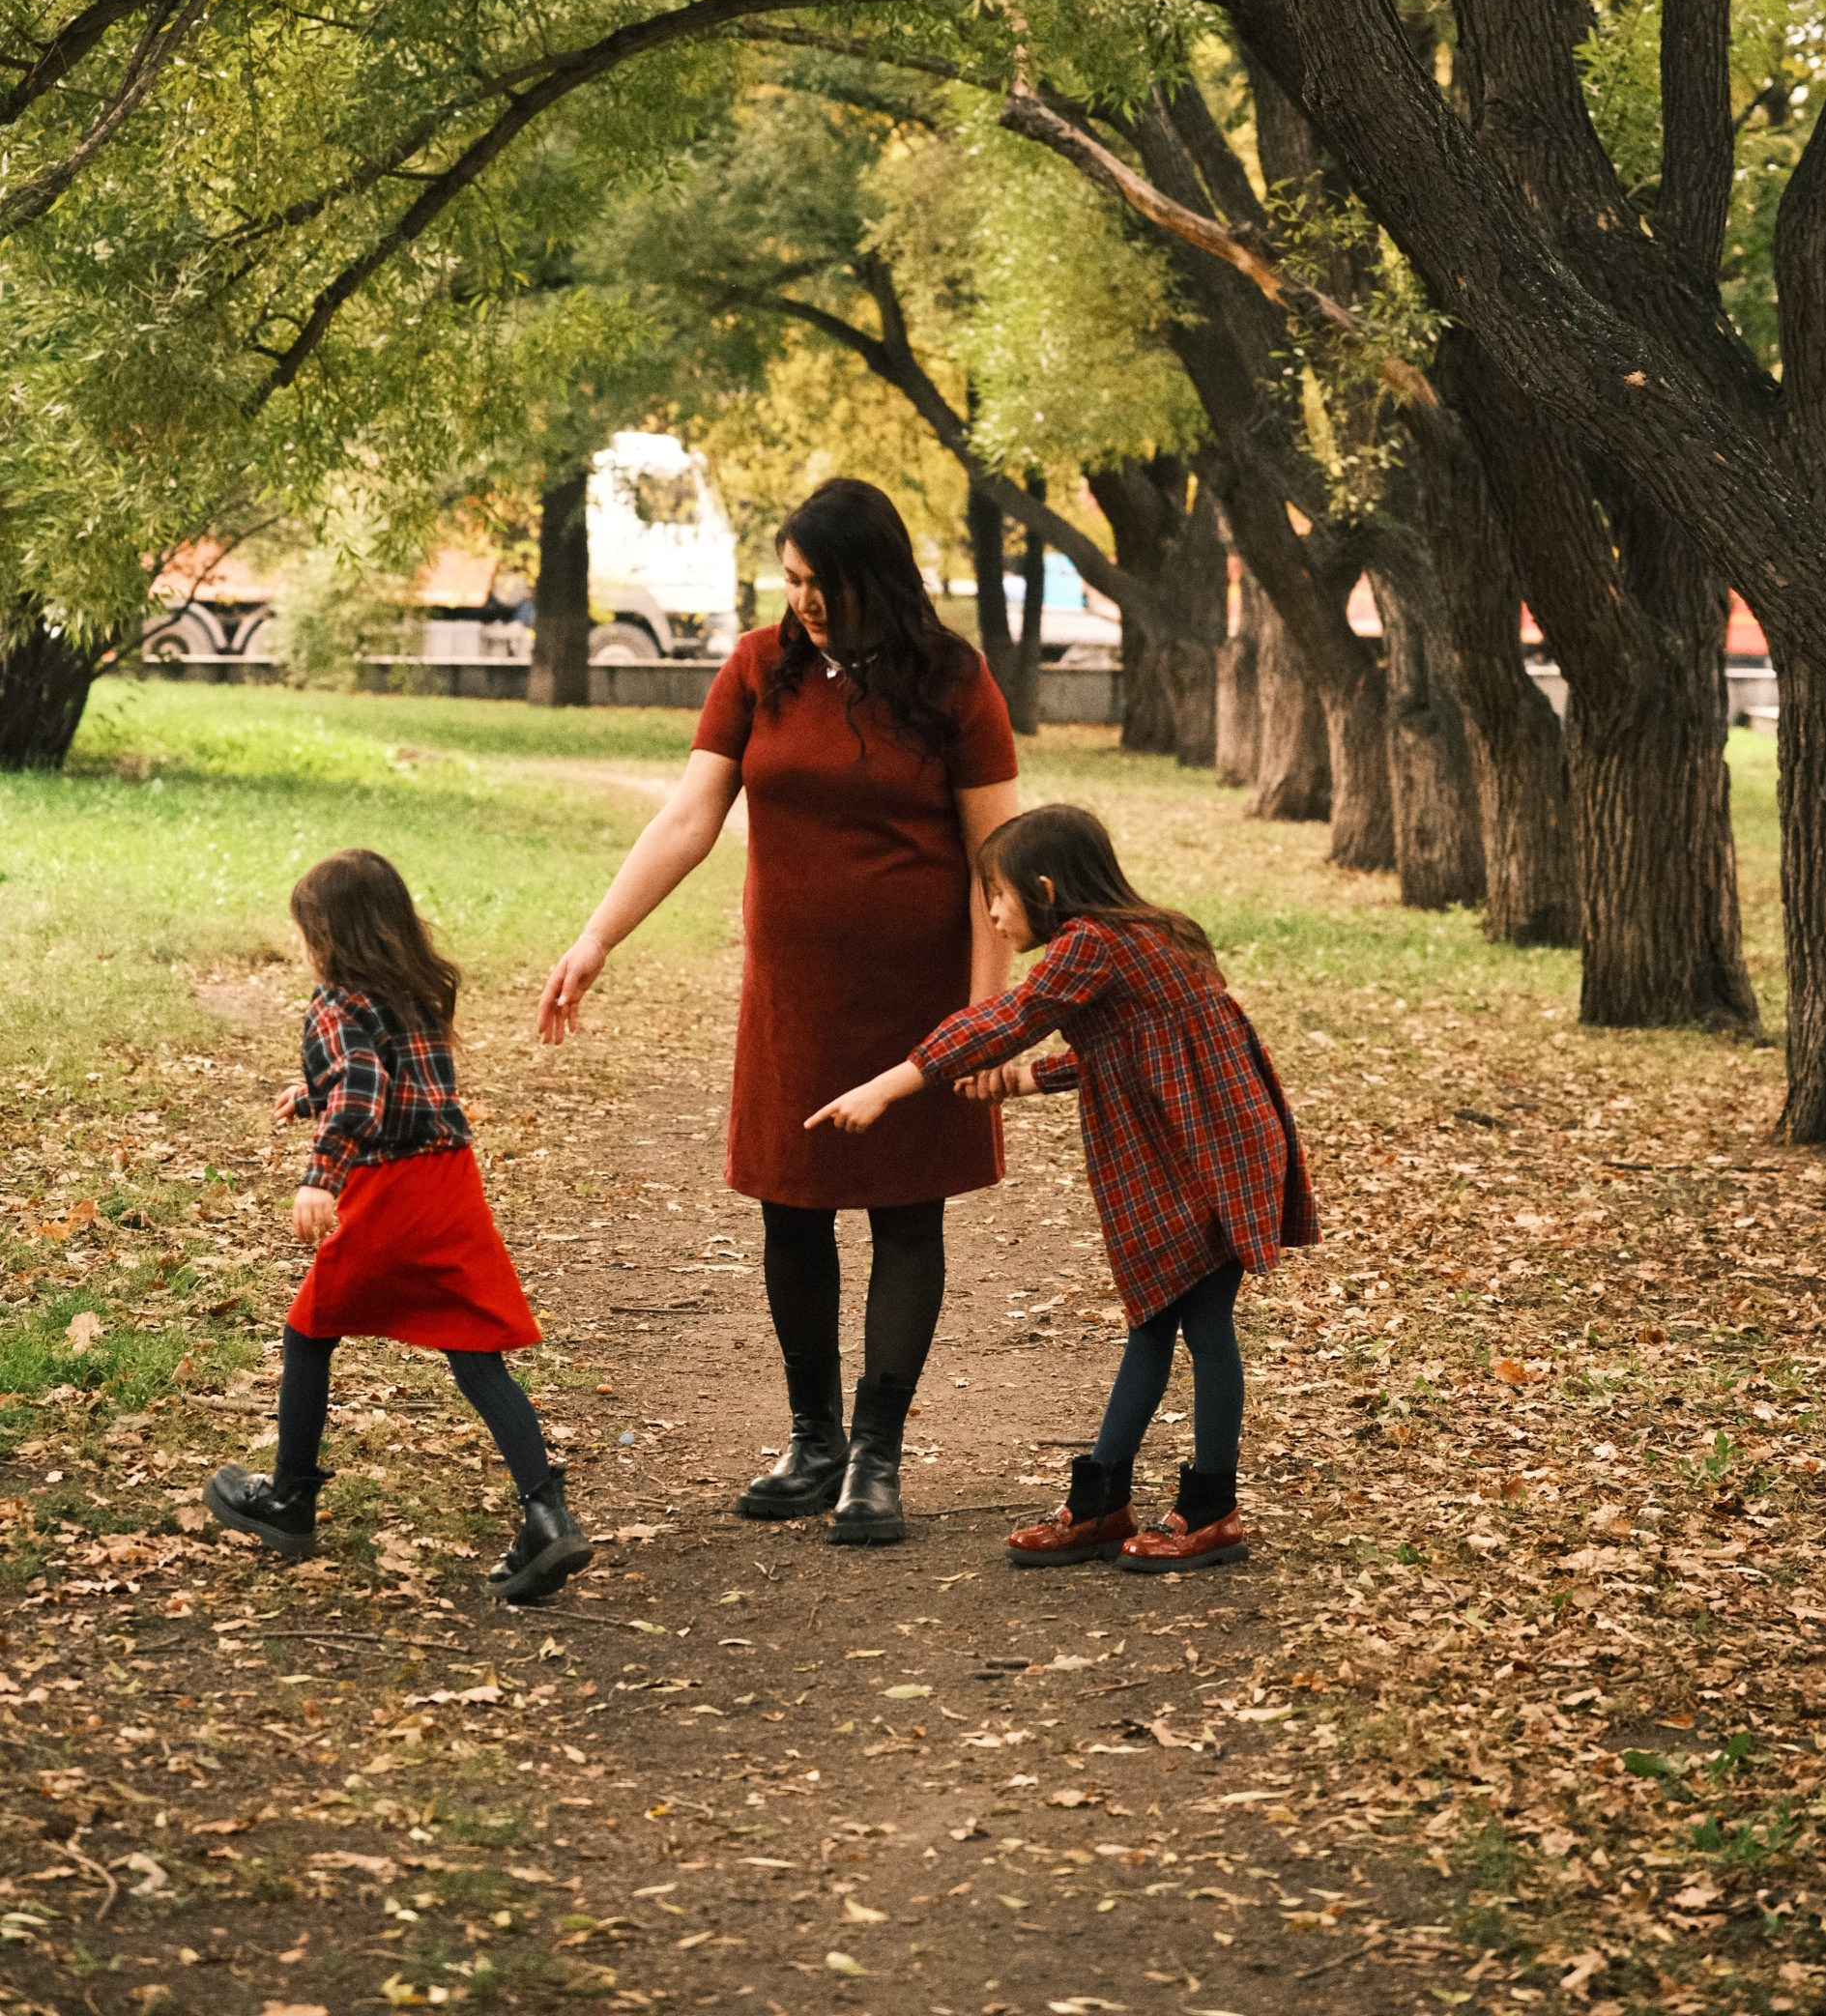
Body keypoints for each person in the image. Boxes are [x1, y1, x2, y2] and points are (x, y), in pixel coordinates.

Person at [538, 477, 1021, 1545]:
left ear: (873, 577)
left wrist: (988, 1017)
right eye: (791, 579)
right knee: (789, 1205)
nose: (801, 599)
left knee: (907, 1212)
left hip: (920, 999)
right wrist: (596, 936)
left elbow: (1000, 863)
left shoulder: (952, 679)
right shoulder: (761, 668)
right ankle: (814, 1445)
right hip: (793, 1000)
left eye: (821, 582)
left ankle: (877, 1459)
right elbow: (687, 816)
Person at [808, 801, 1318, 1574]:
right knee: (1155, 1317)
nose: (990, 912)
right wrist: (1026, 1081)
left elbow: (1012, 1015)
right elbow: (1139, 1047)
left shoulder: (1091, 943)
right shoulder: (1148, 934)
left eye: (997, 895)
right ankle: (1103, 1499)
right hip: (1203, 1144)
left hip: (1210, 1152)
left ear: (1045, 887)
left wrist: (891, 1085)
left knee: (1203, 1326)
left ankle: (1212, 1507)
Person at [204, 850, 591, 1607]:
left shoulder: (334, 1002)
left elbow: (363, 1094)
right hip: (450, 1183)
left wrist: (321, 1177)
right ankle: (548, 1515)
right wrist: (310, 1094)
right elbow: (389, 1081)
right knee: (478, 1355)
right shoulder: (416, 990)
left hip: (390, 1190)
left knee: (309, 1331)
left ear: (331, 934)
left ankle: (289, 1498)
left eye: (307, 932)